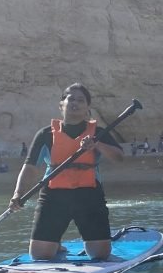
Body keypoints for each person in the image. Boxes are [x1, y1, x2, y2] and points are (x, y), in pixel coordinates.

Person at [9, 83, 124, 261]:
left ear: (87, 107)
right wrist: (18, 193)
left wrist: (97, 144)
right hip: (54, 196)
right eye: (70, 98)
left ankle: (62, 243)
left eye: (81, 100)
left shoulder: (98, 134)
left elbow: (119, 157)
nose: (75, 103)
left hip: (89, 195)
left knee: (100, 254)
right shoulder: (45, 134)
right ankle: (54, 245)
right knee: (40, 255)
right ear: (61, 104)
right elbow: (30, 167)